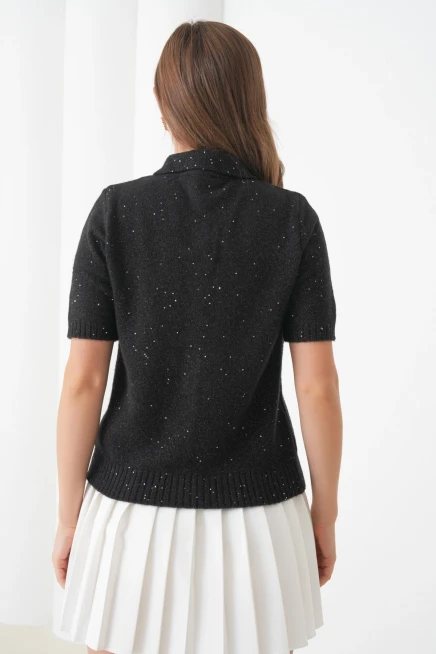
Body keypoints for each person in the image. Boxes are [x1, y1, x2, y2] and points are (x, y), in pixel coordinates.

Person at [52, 19, 342, 654]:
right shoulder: (292, 219)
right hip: (261, 523)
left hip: (128, 516)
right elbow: (317, 388)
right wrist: (325, 513)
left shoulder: (114, 211)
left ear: (163, 105)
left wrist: (70, 516)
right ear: (250, 100)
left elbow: (83, 382)